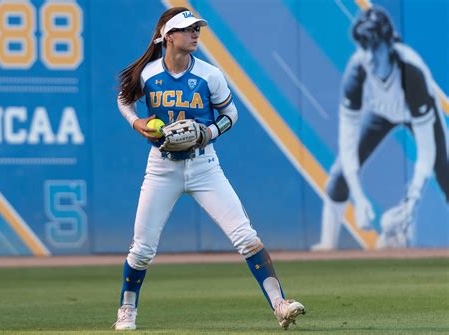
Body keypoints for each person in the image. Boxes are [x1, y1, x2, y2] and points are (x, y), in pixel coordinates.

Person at [113, 7, 305, 331]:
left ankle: (280, 305)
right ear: (167, 36)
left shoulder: (209, 74)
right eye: (188, 29)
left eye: (197, 28)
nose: (195, 33)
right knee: (142, 250)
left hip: (204, 166)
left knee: (245, 236)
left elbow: (231, 114)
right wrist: (137, 122)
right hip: (162, 168)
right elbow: (124, 99)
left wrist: (209, 132)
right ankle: (127, 309)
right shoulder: (147, 74)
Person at [312, 6, 448, 251]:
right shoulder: (357, 71)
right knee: (340, 175)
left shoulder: (412, 73)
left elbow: (427, 151)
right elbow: (347, 142)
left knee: (446, 173)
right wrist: (359, 198)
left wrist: (412, 202)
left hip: (413, 112)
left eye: (374, 46)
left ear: (389, 43)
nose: (368, 55)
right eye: (363, 47)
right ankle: (326, 248)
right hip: (380, 113)